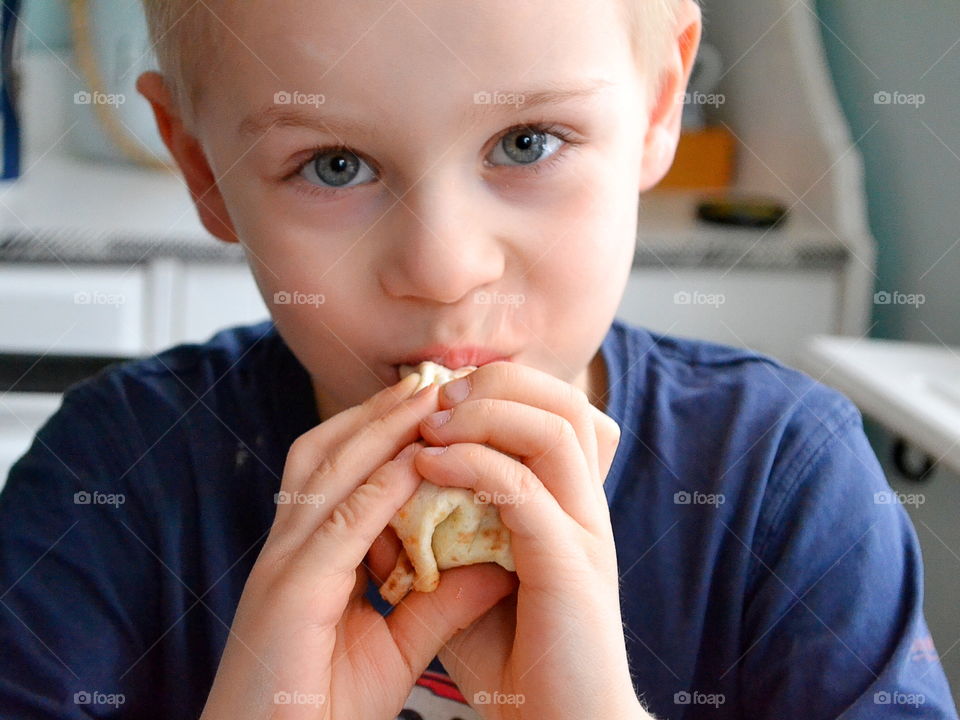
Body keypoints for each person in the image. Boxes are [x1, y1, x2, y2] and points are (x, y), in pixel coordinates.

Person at [0, 0, 956, 718]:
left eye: (526, 142)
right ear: (204, 169)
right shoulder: (112, 481)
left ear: (661, 104)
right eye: (335, 164)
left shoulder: (783, 486)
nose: (444, 269)